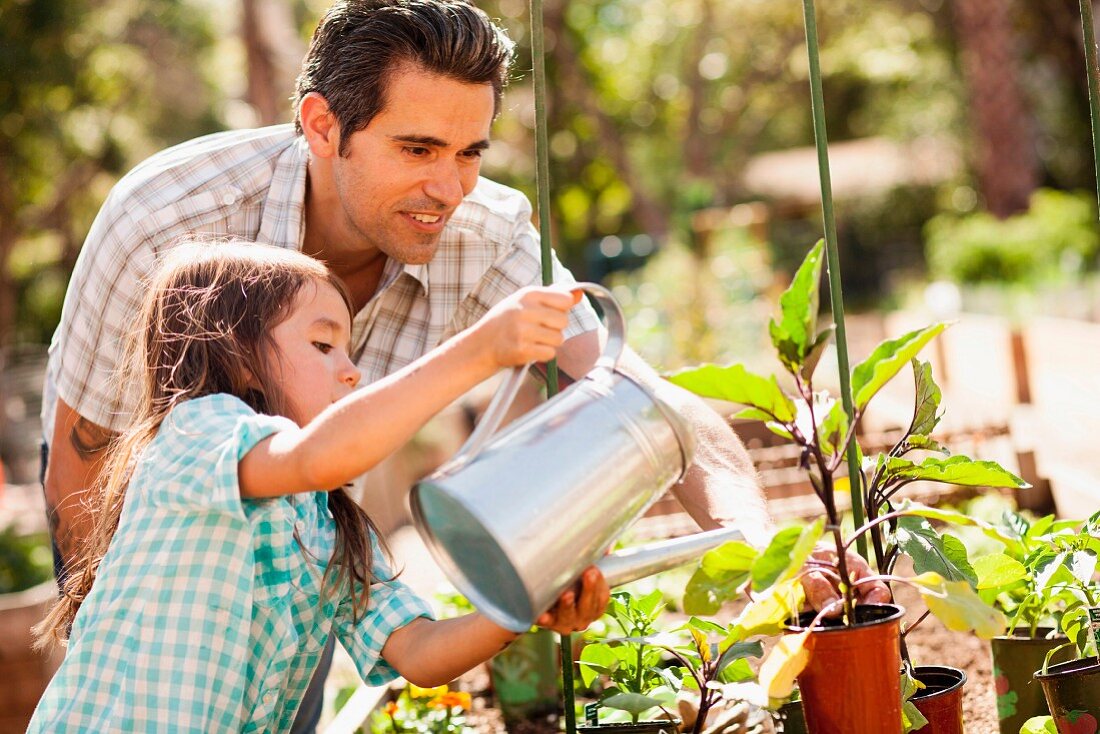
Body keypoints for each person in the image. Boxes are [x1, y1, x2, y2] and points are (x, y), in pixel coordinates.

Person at [39, 0, 884, 728]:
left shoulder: (482, 240)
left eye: (470, 152)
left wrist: (771, 557)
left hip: (281, 645)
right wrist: (118, 655)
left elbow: (644, 401)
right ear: (322, 125)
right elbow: (85, 473)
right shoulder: (173, 224)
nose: (449, 189)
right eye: (417, 150)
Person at [29, 243, 610, 732]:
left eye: (350, 350)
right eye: (324, 345)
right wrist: (481, 350)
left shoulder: (327, 524)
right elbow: (319, 456)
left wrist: (522, 606)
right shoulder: (196, 434)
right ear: (239, 355)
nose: (352, 369)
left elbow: (421, 652)